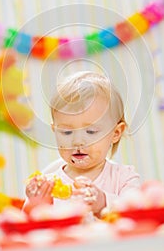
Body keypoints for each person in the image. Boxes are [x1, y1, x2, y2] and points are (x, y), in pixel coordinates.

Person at [23, 71, 140, 218]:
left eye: (91, 131)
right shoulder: (49, 185)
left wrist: (103, 202)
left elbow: (137, 212)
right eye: (66, 132)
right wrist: (35, 205)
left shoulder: (124, 178)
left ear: (115, 133)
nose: (77, 141)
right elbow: (29, 227)